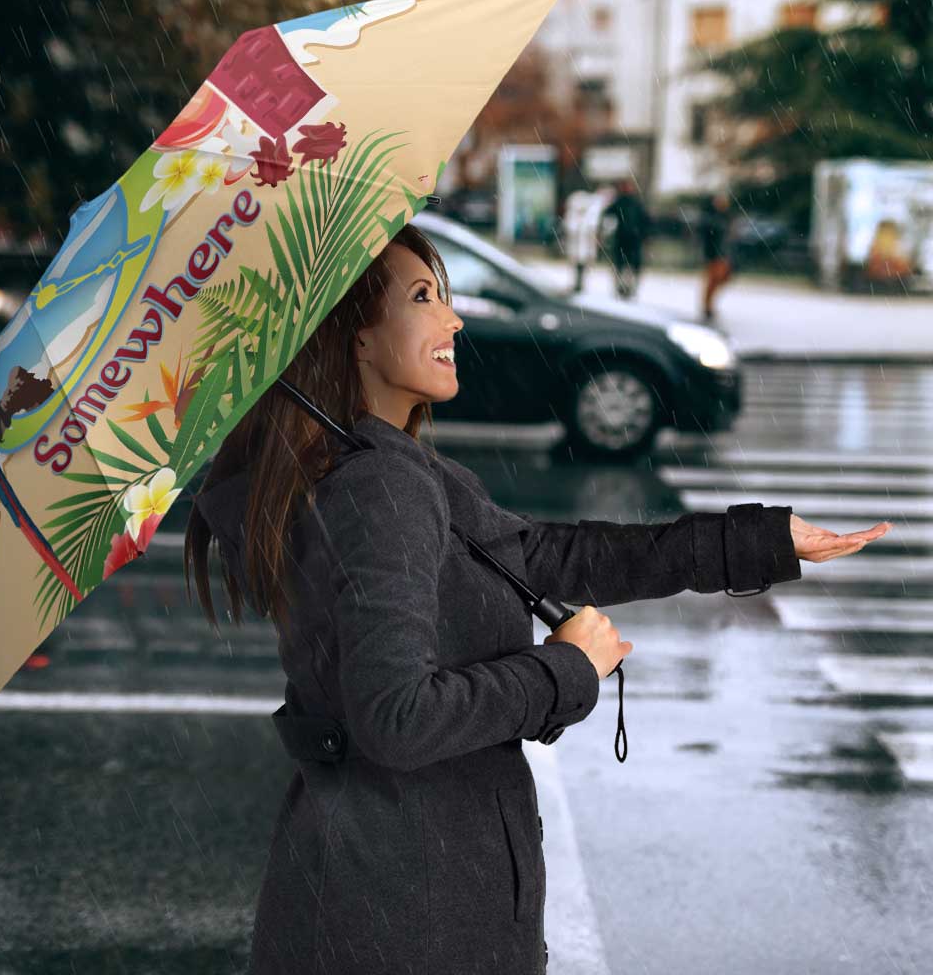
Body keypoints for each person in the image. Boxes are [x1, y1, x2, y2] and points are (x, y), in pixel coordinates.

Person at [185, 222, 890, 975]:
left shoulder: (389, 470)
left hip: (390, 894)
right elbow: (396, 718)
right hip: (405, 914)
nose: (453, 318)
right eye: (423, 297)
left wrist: (758, 541)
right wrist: (563, 670)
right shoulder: (378, 487)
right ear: (354, 337)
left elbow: (552, 556)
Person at [601, 177, 651, 300]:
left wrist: (644, 235)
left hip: (632, 239)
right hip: (624, 239)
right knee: (622, 265)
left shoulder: (634, 203)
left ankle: (628, 288)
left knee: (629, 266)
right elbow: (607, 215)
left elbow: (645, 221)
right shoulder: (621, 202)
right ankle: (622, 288)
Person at [699, 190, 735, 321]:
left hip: (723, 254)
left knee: (721, 279)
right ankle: (707, 306)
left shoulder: (726, 217)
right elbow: (708, 237)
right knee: (713, 280)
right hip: (714, 254)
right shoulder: (711, 218)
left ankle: (708, 305)